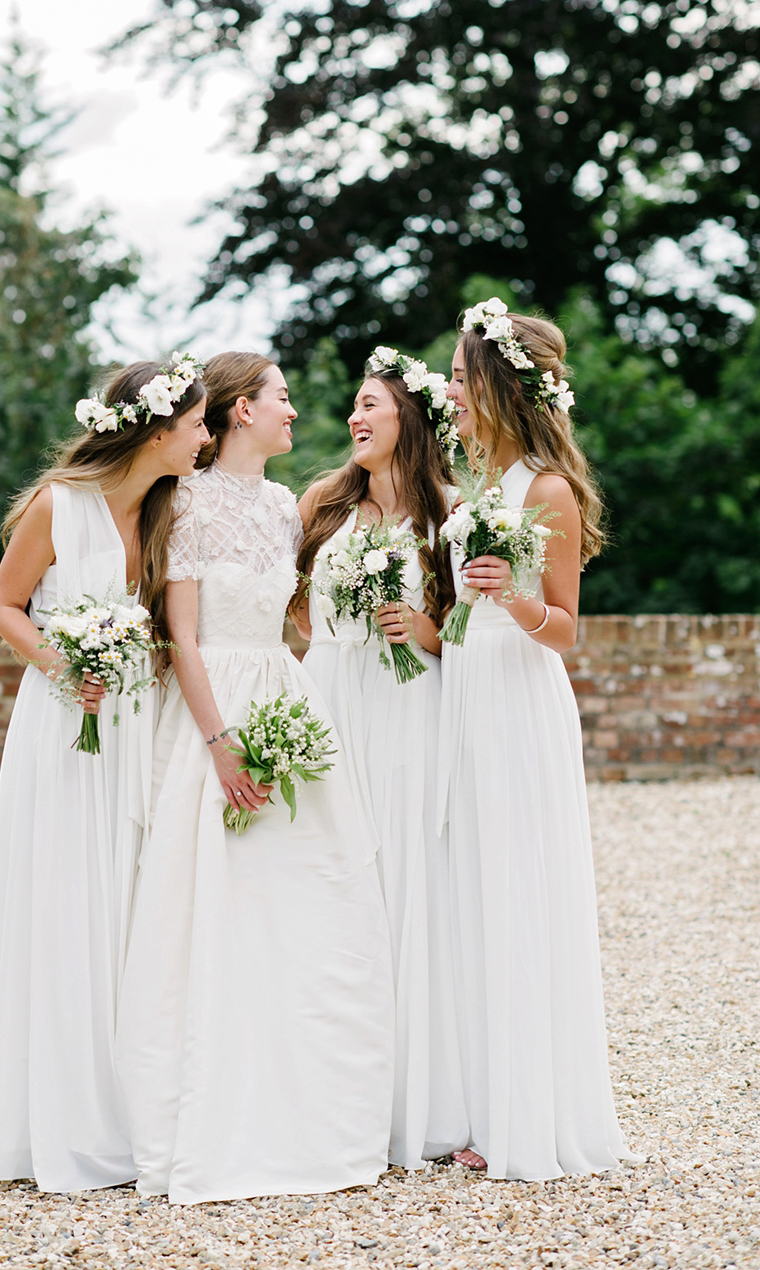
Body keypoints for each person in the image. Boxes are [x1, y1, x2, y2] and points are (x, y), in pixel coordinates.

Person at [116, 351, 395, 1206]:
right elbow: (183, 638)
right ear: (241, 412)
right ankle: (212, 1092)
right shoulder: (186, 501)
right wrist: (220, 741)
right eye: (283, 397)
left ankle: (307, 1094)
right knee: (209, 900)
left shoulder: (283, 505)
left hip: (285, 693)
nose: (294, 413)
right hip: (215, 709)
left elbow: (292, 618)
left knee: (308, 897)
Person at [0, 356, 209, 1192]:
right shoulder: (56, 505)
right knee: (70, 896)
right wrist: (61, 665)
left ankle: (124, 1094)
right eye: (199, 423)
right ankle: (58, 1112)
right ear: (159, 428)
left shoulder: (171, 511)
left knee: (133, 897)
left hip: (134, 723)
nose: (205, 438)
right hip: (67, 722)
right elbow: (3, 605)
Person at [434, 299, 639, 1180]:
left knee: (519, 889)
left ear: (495, 387)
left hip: (520, 692)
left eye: (457, 374)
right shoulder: (477, 486)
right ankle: (483, 1099)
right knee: (474, 891)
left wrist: (510, 599)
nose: (447, 387)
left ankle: (532, 1117)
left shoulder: (545, 489)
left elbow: (563, 628)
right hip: (468, 687)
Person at [293, 347, 465, 1169]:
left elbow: (469, 632)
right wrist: (329, 641)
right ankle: (324, 1090)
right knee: (324, 877)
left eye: (371, 406)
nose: (355, 419)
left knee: (403, 884)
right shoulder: (323, 502)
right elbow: (283, 603)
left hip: (406, 710)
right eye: (353, 408)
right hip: (330, 695)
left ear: (409, 417)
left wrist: (418, 629)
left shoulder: (450, 515)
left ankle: (411, 1095)